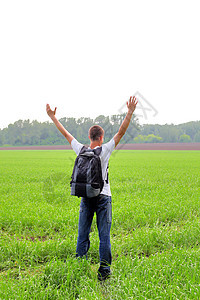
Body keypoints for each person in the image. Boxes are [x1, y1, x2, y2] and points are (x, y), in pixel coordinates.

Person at [46, 96, 138, 281]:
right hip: (104, 196)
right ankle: (104, 272)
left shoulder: (80, 149)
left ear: (89, 137)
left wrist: (53, 117)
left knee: (83, 234)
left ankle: (80, 267)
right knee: (104, 236)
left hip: (86, 195)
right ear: (102, 137)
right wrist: (129, 112)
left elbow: (66, 134)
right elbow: (120, 132)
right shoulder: (105, 150)